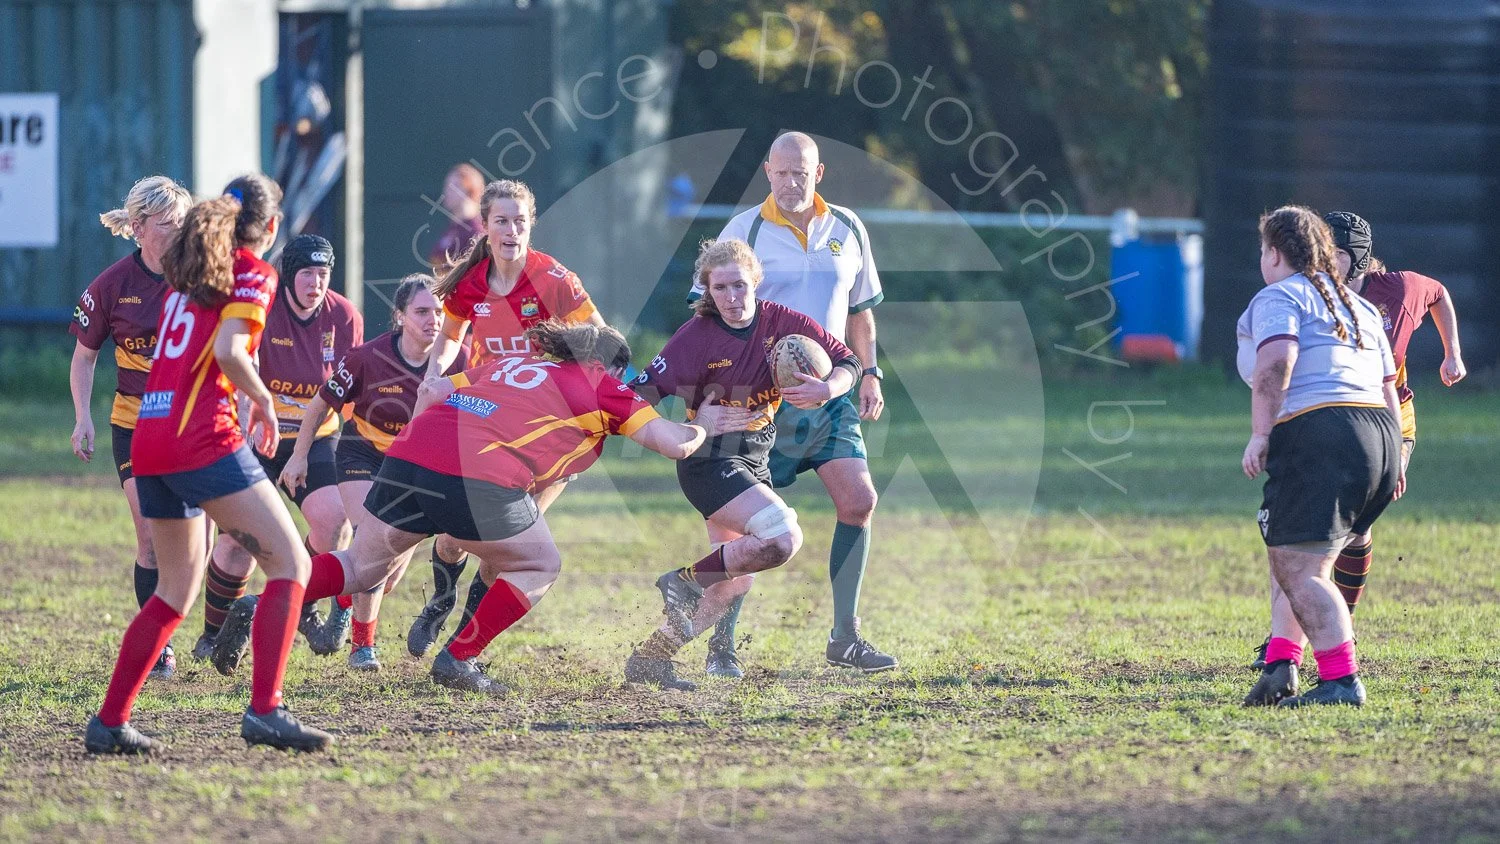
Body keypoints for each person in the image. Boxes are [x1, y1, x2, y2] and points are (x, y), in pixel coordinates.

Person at [213, 320, 752, 694]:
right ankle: (459, 658)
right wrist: (704, 425)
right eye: (619, 371)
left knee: (360, 565)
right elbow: (672, 444)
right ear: (600, 364)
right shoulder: (602, 386)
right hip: (473, 477)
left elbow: (434, 391)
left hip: (408, 455)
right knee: (541, 564)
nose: (621, 381)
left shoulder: (514, 362)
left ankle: (263, 603)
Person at [84, 174, 332, 754]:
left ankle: (110, 720)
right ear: (273, 226)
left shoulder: (190, 274)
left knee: (174, 591)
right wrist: (263, 400)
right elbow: (228, 351)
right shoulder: (251, 271)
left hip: (149, 436)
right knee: (292, 565)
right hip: (200, 439)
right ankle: (266, 710)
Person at [688, 131, 894, 677]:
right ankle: (721, 647)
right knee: (745, 528)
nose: (791, 182)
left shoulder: (847, 227)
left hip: (829, 393)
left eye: (801, 172)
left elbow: (860, 311)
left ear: (818, 173)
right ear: (767, 172)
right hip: (760, 400)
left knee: (859, 501)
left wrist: (869, 372)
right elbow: (704, 314)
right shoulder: (744, 230)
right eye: (781, 173)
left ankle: (845, 637)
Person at [628, 239, 862, 690]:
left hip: (756, 454)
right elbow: (634, 399)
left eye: (739, 285)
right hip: (709, 459)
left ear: (756, 280)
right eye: (720, 288)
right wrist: (691, 427)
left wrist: (827, 389)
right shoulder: (695, 338)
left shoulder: (784, 322)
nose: (732, 297)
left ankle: (650, 658)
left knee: (735, 582)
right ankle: (683, 581)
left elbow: (846, 361)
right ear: (708, 291)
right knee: (781, 535)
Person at [1248, 213, 1468, 668]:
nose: (1326, 259)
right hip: (1335, 426)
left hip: (1388, 422)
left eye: (1339, 254)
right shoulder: (1311, 296)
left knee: (1336, 535)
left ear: (1360, 259)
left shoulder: (1395, 292)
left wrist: (1453, 354)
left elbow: (1438, 293)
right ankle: (1295, 640)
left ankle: (1332, 629)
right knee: (1306, 538)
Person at [409, 178, 607, 657]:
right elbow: (450, 335)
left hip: (543, 429)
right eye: (501, 221)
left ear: (531, 225)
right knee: (453, 537)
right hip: (484, 415)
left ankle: (462, 640)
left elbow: (599, 338)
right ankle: (440, 601)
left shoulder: (555, 280)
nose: (511, 230)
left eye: (520, 221)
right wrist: (434, 375)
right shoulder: (471, 280)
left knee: (509, 542)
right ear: (485, 225)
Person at [1238, 205, 1403, 709]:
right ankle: (1281, 662)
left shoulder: (1280, 295)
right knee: (1300, 556)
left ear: (1274, 253)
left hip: (1323, 434)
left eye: (1263, 249)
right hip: (1379, 434)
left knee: (1300, 568)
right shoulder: (1358, 305)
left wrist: (1260, 434)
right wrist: (1395, 455)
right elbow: (1388, 385)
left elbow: (1277, 363)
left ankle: (1341, 680)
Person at [280, 274, 463, 671]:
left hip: (413, 467)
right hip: (362, 454)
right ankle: (362, 648)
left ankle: (342, 598)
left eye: (439, 312)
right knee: (372, 541)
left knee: (387, 570)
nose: (433, 320)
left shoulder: (461, 361)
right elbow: (320, 404)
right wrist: (299, 455)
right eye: (421, 311)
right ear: (400, 316)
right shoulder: (368, 356)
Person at [199, 234, 363, 668]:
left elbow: (346, 390)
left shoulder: (344, 316)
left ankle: (303, 600)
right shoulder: (263, 308)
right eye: (307, 273)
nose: (316, 283)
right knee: (237, 540)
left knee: (334, 523)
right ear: (289, 276)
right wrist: (240, 432)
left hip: (316, 438)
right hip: (255, 434)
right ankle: (212, 634)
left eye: (323, 274)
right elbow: (233, 370)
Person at [69, 175, 193, 680]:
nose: (178, 232)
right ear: (139, 229)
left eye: (183, 223)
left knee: (201, 546)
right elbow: (84, 357)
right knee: (150, 540)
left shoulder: (202, 279)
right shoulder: (112, 285)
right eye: (167, 225)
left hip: (193, 427)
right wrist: (82, 416)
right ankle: (160, 645)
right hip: (136, 426)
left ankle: (213, 626)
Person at [427, 163, 485, 274]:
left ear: (470, 190)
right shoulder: (452, 229)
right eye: (447, 186)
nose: (447, 191)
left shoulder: (476, 232)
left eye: (455, 186)